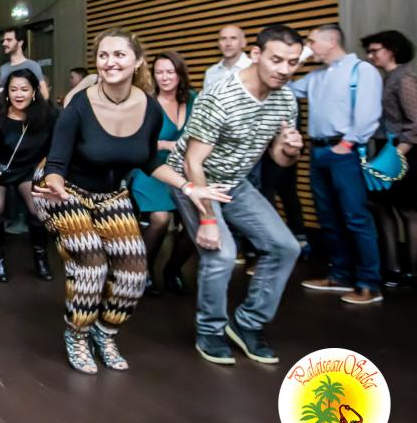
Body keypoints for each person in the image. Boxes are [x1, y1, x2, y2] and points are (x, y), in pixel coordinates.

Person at [33, 29, 230, 375]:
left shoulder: (149, 108)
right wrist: (55, 187)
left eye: (119, 55)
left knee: (134, 271)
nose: (110, 62)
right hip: (62, 189)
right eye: (103, 55)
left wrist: (189, 187)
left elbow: (148, 159)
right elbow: (56, 163)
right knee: (91, 263)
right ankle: (77, 333)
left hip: (111, 194)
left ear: (138, 61)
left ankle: (104, 332)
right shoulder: (79, 106)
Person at [168, 24, 306, 366]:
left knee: (285, 247)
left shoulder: (285, 99)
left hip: (235, 182)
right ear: (256, 55)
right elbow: (192, 161)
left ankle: (247, 324)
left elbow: (279, 158)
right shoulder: (220, 96)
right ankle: (210, 330)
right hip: (194, 180)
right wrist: (208, 220)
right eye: (276, 60)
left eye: (292, 62)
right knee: (222, 254)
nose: (284, 70)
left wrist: (291, 149)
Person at [293, 24, 384, 305]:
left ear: (331, 40)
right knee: (328, 217)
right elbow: (284, 89)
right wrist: (297, 61)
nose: (308, 47)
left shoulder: (361, 70)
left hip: (344, 151)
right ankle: (339, 275)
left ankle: (369, 284)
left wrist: (347, 143)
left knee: (355, 217)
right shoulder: (315, 76)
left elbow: (369, 114)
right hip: (318, 152)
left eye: (311, 42)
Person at [0, 68, 57, 282]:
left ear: (34, 91)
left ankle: (41, 261)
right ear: (7, 92)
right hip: (0, 168)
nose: (18, 94)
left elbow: (58, 144)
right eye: (13, 89)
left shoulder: (48, 114)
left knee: (37, 212)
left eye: (24, 89)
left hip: (27, 170)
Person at [130, 52, 197, 296]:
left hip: (183, 171)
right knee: (160, 219)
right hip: (151, 170)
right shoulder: (146, 102)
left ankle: (173, 270)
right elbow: (134, 141)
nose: (165, 77)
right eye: (159, 72)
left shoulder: (193, 99)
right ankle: (143, 271)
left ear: (180, 74)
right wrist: (165, 144)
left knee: (194, 226)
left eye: (170, 72)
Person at [361, 29, 417, 287]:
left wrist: (393, 157)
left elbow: (415, 124)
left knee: (407, 211)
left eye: (375, 51)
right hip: (386, 148)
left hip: (404, 150)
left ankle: (412, 271)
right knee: (382, 207)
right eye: (368, 51)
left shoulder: (404, 77)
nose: (370, 56)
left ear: (391, 50)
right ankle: (392, 267)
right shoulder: (386, 79)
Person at [0, 28, 49, 101]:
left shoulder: (32, 66)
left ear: (20, 42)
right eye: (4, 40)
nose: (4, 43)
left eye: (9, 40)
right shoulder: (3, 68)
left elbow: (45, 95)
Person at [201, 25, 252, 95]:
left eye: (233, 38)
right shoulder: (210, 72)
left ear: (243, 43)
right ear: (219, 44)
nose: (228, 43)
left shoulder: (254, 68)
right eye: (223, 39)